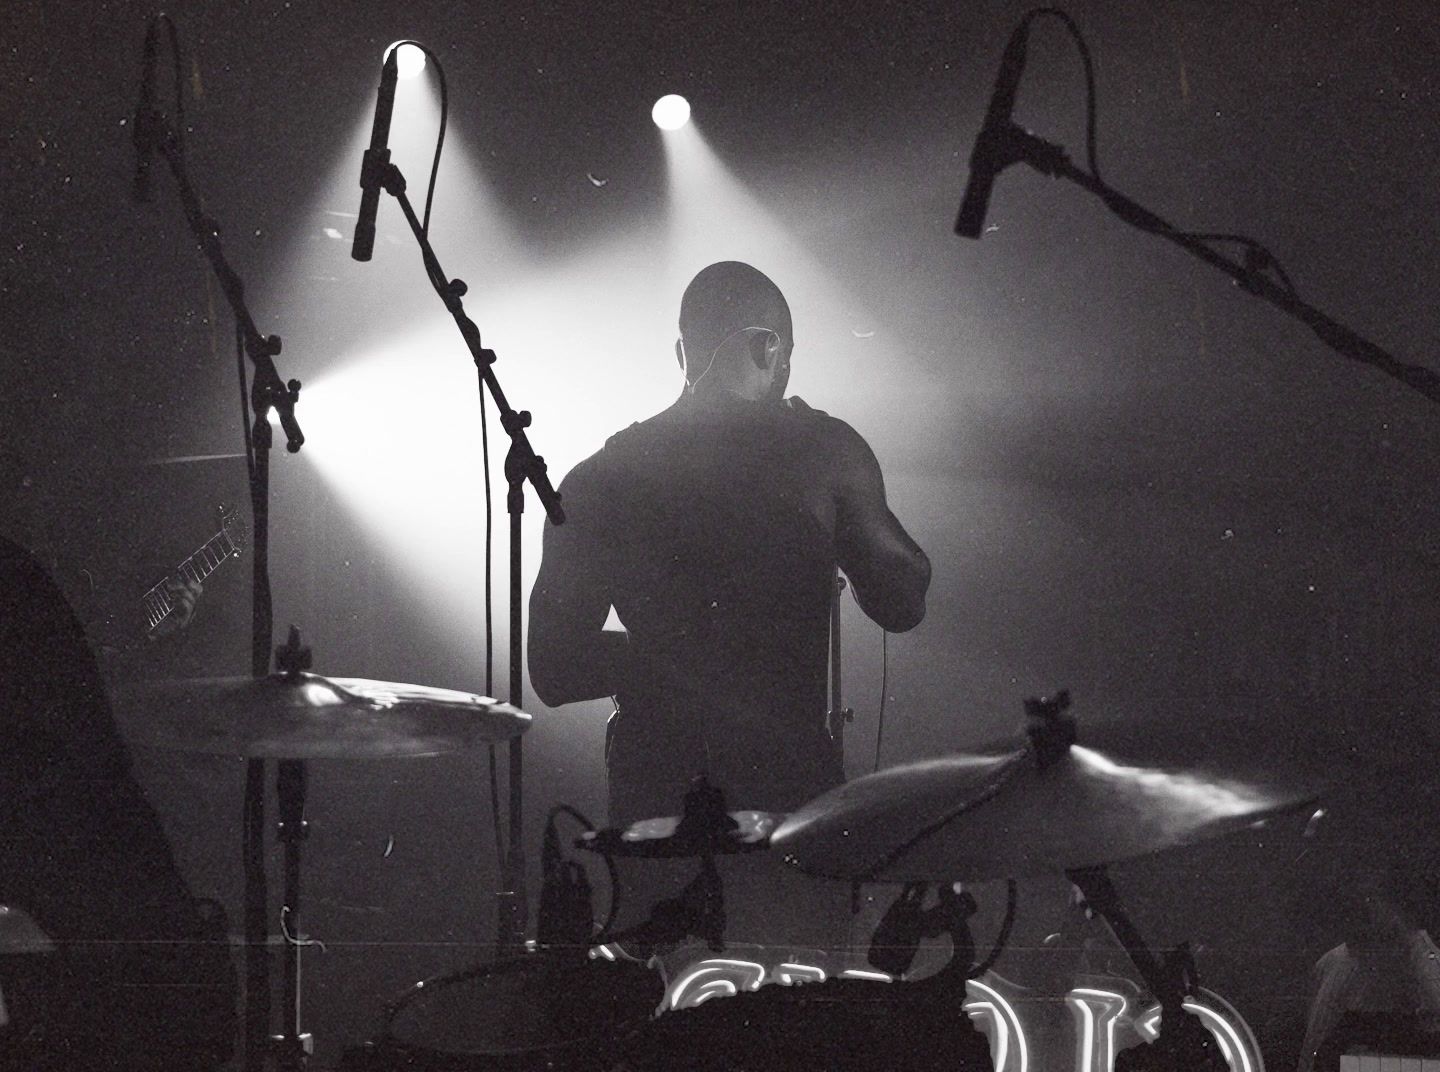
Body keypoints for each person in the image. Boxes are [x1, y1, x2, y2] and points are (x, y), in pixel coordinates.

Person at [528, 261, 930, 967]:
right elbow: (902, 601)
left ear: (681, 353)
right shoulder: (821, 451)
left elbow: (552, 666)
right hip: (789, 784)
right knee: (796, 1013)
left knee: (664, 1012)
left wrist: (672, 662)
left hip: (656, 789)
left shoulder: (600, 476)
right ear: (770, 347)